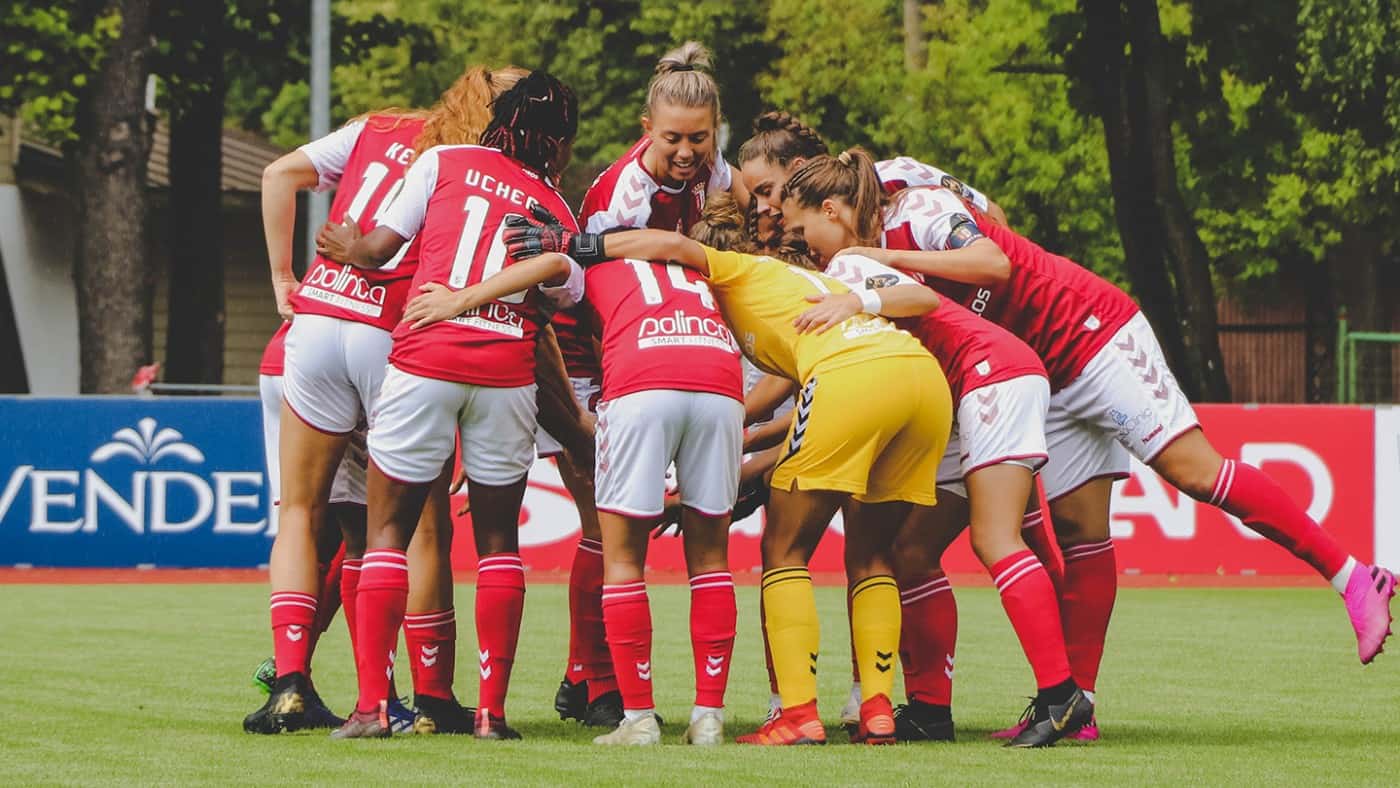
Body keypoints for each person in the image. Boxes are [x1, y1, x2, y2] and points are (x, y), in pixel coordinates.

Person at [778, 147, 1399, 735]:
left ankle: (1351, 577)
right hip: (1030, 370)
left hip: (1091, 333)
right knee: (1078, 533)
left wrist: (899, 260)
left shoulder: (914, 210)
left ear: (830, 206)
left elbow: (996, 257)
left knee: (1195, 472)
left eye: (802, 231)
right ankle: (1080, 706)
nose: (802, 246)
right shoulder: (868, 245)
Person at [504, 193, 954, 746]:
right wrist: (859, 301)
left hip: (830, 377)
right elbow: (788, 401)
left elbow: (664, 246)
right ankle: (874, 707)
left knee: (779, 551)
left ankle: (789, 715)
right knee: (871, 553)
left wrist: (577, 244)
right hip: (921, 384)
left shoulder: (732, 273)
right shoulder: (803, 286)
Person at [247, 65, 527, 737]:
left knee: (304, 513)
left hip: (311, 328)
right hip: (392, 335)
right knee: (421, 526)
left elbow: (277, 174)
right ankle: (429, 695)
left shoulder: (377, 126)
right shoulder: (486, 165)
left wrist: (284, 278)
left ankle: (290, 684)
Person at [326, 71, 583, 740]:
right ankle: (492, 715)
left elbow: (381, 250)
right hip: (506, 371)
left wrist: (345, 248)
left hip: (425, 359)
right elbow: (564, 297)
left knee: (388, 532)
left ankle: (371, 709)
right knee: (499, 543)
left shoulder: (442, 160)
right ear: (559, 142)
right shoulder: (559, 210)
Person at [551, 40, 749, 727]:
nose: (688, 152)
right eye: (673, 140)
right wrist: (589, 400)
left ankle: (608, 687)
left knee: (622, 541)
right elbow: (585, 300)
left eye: (700, 138)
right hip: (610, 362)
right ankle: (593, 675)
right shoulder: (617, 198)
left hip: (682, 359)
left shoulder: (723, 176)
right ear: (646, 129)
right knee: (602, 532)